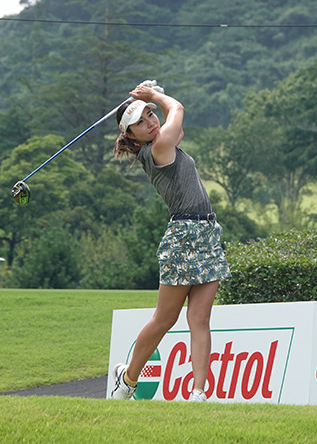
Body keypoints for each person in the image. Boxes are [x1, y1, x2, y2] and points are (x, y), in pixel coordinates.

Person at [110, 81, 231, 402]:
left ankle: (199, 393)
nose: (150, 122)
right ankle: (128, 380)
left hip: (207, 233)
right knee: (165, 318)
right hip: (183, 237)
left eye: (150, 114)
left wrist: (153, 95)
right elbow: (177, 109)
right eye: (140, 122)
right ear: (131, 135)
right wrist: (155, 96)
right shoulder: (158, 147)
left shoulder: (165, 141)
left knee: (200, 319)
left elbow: (177, 126)